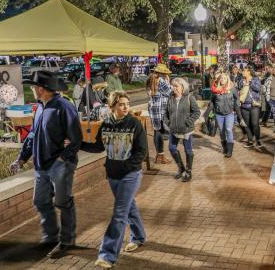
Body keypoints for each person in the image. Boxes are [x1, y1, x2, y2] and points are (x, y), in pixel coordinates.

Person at [9, 71, 82, 258]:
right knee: (40, 201)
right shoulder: (40, 106)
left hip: (60, 165)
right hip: (41, 166)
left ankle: (67, 241)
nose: (32, 90)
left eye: (33, 87)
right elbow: (32, 135)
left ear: (41, 89)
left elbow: (76, 138)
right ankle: (50, 237)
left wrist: (63, 158)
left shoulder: (64, 106)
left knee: (63, 202)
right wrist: (21, 158)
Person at [80, 91, 147, 269]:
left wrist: (126, 166)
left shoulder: (134, 124)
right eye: (121, 104)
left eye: (127, 103)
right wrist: (77, 143)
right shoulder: (106, 124)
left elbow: (142, 152)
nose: (126, 107)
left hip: (130, 174)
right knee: (128, 206)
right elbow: (98, 147)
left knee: (119, 213)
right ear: (112, 106)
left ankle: (107, 255)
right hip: (112, 175)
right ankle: (139, 237)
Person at [163, 77, 201, 182]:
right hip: (173, 129)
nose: (174, 88)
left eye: (176, 86)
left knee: (188, 151)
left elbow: (196, 112)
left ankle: (188, 171)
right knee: (172, 148)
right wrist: (168, 123)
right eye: (173, 86)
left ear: (182, 87)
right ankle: (181, 168)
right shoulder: (170, 98)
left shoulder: (189, 97)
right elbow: (165, 113)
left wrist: (187, 123)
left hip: (186, 130)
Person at [209, 72, 241, 158]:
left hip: (229, 113)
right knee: (222, 131)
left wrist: (235, 107)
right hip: (219, 114)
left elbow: (236, 98)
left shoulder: (232, 88)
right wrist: (211, 110)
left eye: (224, 78)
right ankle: (225, 147)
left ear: (227, 79)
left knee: (228, 129)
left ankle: (230, 151)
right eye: (221, 78)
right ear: (219, 79)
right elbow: (212, 101)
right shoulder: (215, 89)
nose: (223, 80)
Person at [146, 64, 172, 164]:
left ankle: (159, 155)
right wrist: (168, 82)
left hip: (154, 108)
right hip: (160, 109)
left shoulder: (151, 79)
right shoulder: (160, 80)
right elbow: (169, 93)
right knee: (159, 132)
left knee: (157, 131)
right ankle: (160, 156)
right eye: (165, 73)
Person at [238, 66, 263, 148]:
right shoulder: (241, 80)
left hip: (254, 105)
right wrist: (242, 84)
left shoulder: (255, 79)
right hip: (244, 105)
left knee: (255, 124)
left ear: (249, 72)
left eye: (244, 71)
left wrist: (250, 83)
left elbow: (258, 89)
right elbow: (239, 88)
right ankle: (250, 140)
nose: (243, 72)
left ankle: (258, 140)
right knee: (247, 125)